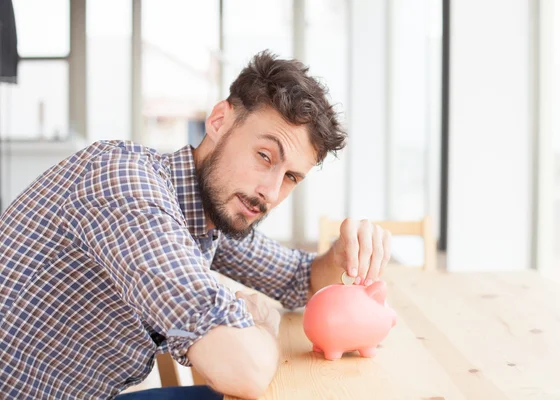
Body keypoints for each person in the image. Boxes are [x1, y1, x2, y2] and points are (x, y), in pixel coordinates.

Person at [0, 51, 392, 400]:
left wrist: (339, 257)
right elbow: (243, 371)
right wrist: (264, 325)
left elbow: (298, 279)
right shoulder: (128, 186)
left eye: (291, 177)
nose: (270, 192)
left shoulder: (212, 208)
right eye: (264, 155)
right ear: (220, 120)